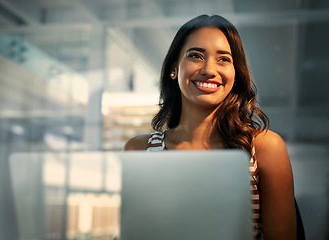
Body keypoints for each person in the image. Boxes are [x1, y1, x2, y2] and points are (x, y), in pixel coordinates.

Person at [124, 14, 298, 239]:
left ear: (235, 74)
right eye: (196, 56)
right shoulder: (138, 150)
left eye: (223, 59)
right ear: (174, 68)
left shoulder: (264, 147)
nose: (209, 69)